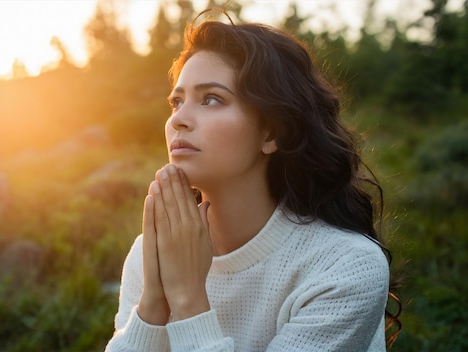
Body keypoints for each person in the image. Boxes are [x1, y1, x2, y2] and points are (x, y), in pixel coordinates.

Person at [106, 11, 400, 352]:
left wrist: (187, 298)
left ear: (272, 132)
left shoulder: (344, 266)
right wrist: (153, 305)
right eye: (176, 101)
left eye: (211, 99)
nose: (179, 120)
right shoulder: (151, 254)